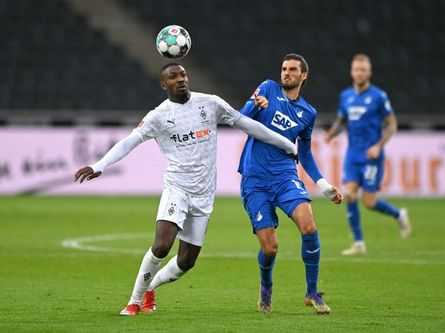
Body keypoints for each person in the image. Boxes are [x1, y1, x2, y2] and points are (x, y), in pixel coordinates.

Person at [74, 63, 298, 316]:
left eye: (182, 74)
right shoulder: (158, 116)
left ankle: (151, 289)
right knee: (162, 245)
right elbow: (129, 142)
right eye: (173, 76)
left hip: (204, 194)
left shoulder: (210, 103)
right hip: (177, 187)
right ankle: (134, 302)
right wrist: (99, 165)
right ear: (164, 85)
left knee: (186, 261)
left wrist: (286, 143)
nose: (180, 79)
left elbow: (247, 124)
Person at [238, 53, 343, 315]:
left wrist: (322, 183)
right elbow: (240, 118)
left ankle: (312, 293)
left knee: (309, 224)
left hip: (285, 178)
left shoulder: (307, 113)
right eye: (283, 68)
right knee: (270, 247)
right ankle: (266, 286)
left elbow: (304, 153)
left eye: (292, 69)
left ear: (303, 76)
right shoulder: (268, 89)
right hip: (256, 180)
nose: (286, 73)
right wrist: (255, 107)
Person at [324, 54, 412, 256]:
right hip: (352, 155)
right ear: (351, 72)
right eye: (356, 69)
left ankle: (399, 214)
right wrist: (331, 134)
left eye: (363, 69)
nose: (359, 73)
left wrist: (379, 146)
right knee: (350, 195)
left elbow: (392, 124)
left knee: (370, 202)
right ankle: (358, 242)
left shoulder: (379, 96)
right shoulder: (345, 96)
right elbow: (341, 120)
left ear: (369, 72)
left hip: (372, 155)